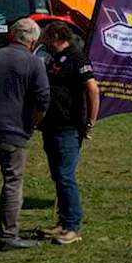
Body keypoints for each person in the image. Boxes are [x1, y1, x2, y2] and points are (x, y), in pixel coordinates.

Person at [0, 18, 50, 250]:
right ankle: (8, 235)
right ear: (33, 41)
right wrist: (32, 124)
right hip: (14, 131)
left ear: (11, 35)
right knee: (13, 182)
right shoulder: (34, 62)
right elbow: (43, 100)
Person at [36, 22, 99, 246]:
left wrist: (91, 121)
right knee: (58, 175)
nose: (41, 39)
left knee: (65, 176)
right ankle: (63, 223)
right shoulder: (54, 59)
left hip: (68, 127)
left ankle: (73, 226)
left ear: (55, 36)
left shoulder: (77, 58)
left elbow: (92, 89)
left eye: (45, 35)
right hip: (51, 126)